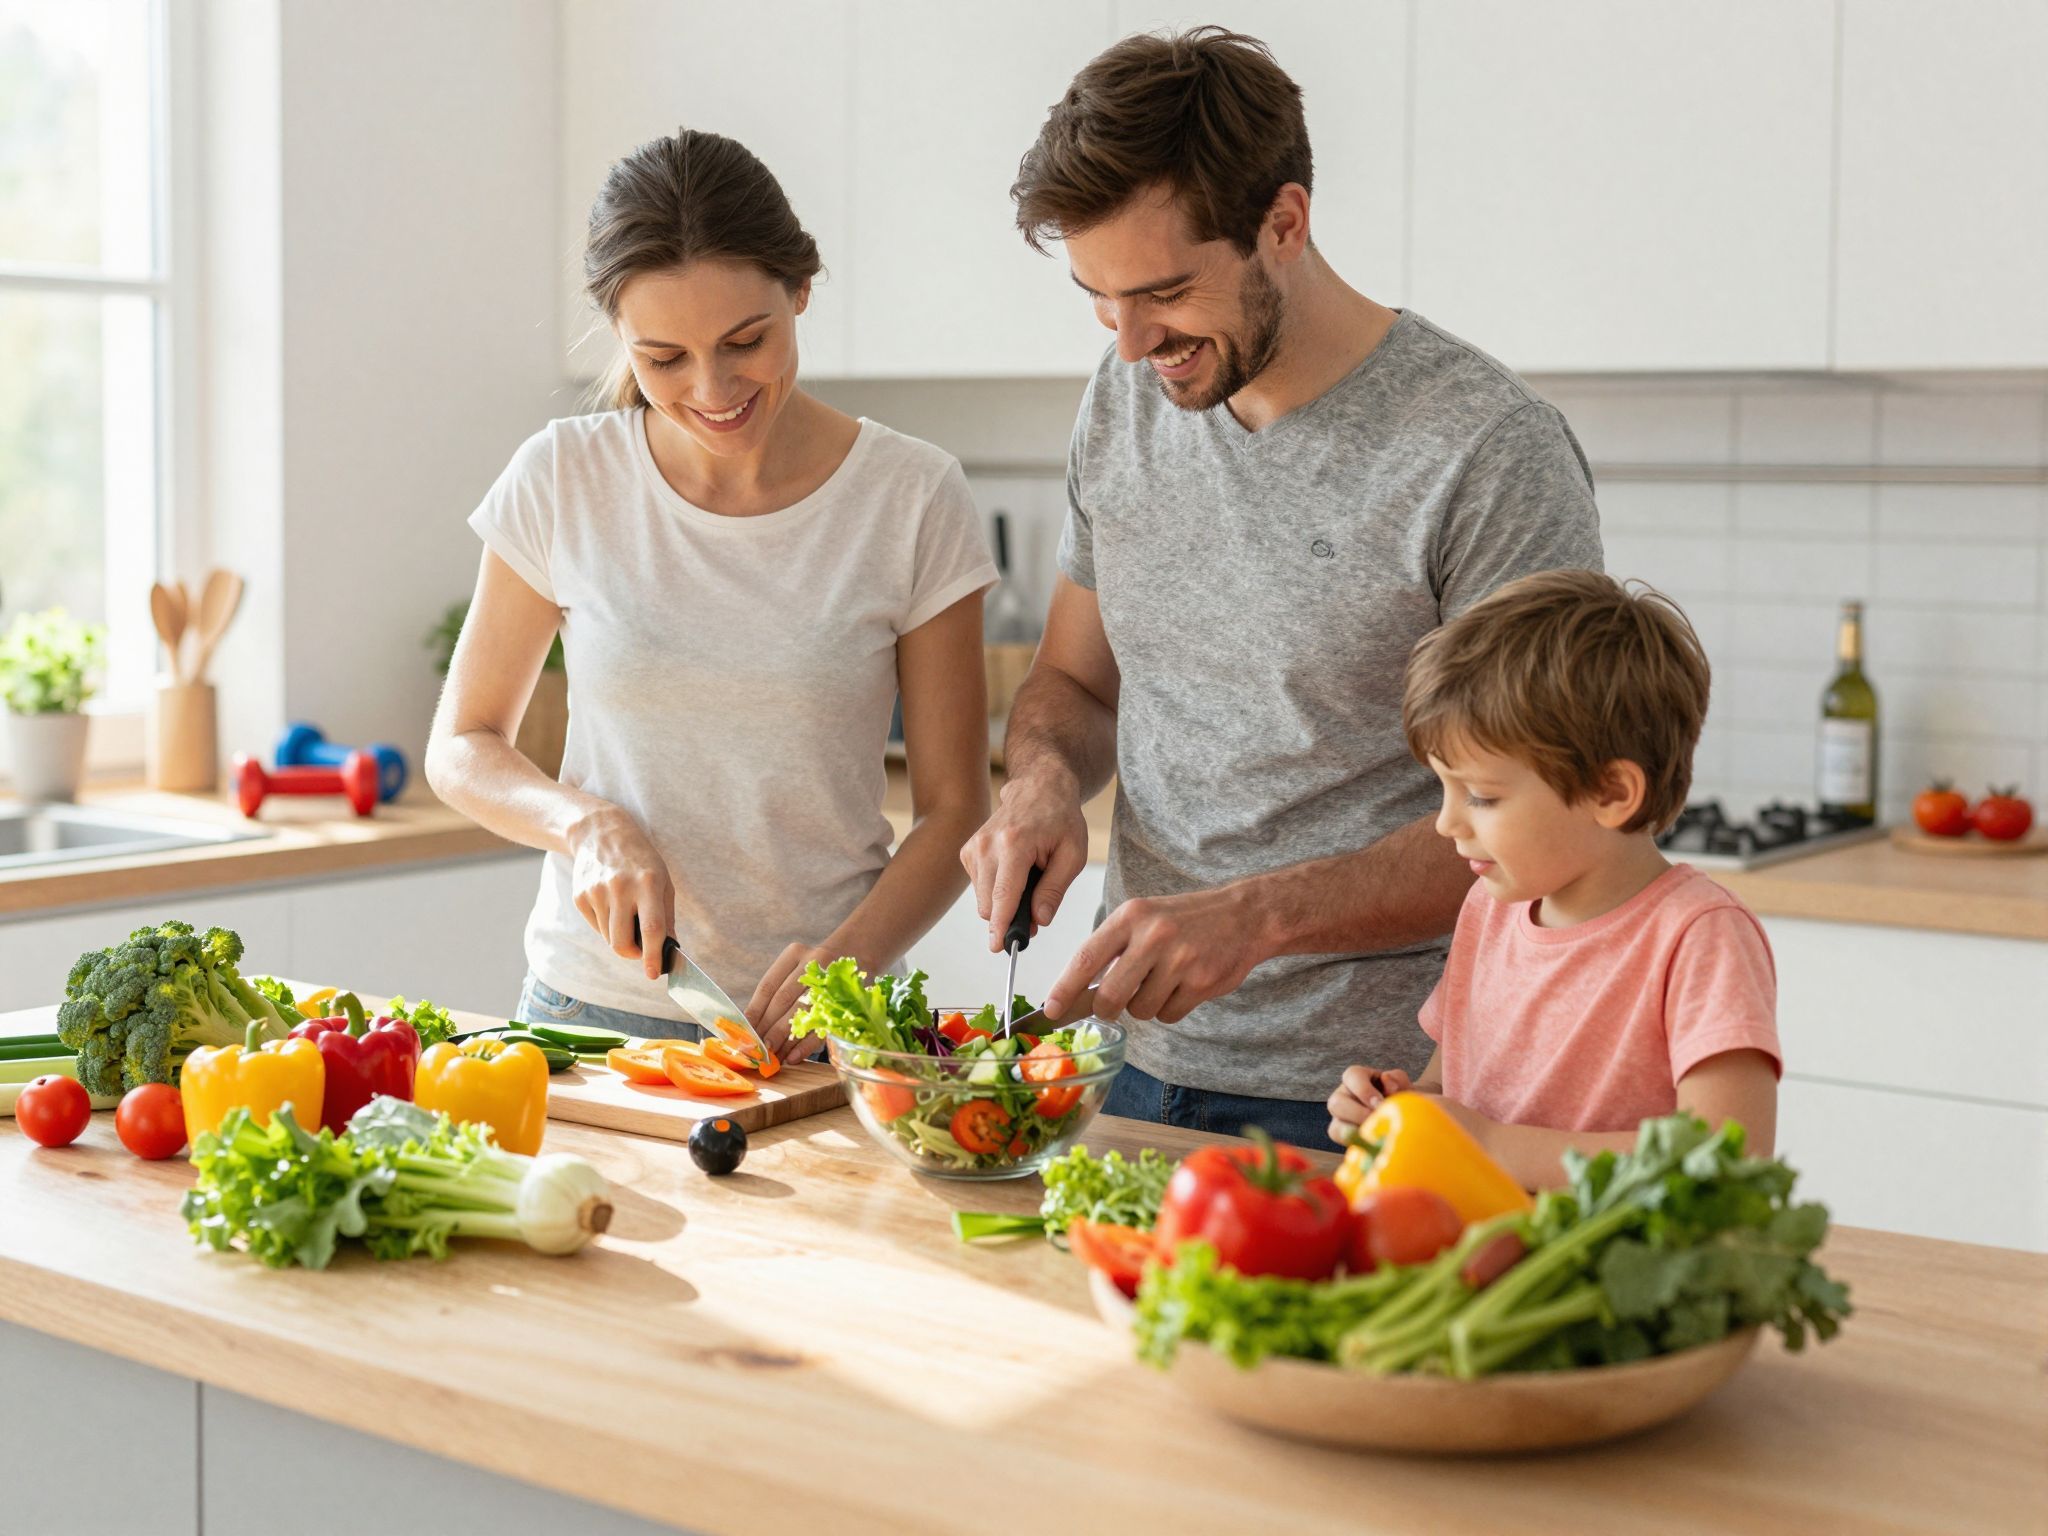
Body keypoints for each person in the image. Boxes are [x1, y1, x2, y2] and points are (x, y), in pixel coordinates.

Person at [961, 28, 1604, 1143]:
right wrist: (1040, 782)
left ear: (1284, 224)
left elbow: (1545, 817)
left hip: (1384, 1099)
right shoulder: (1122, 405)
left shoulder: (1484, 452)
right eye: (1098, 301)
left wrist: (1255, 918)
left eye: (1162, 293)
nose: (1127, 347)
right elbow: (1075, 680)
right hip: (1124, 1061)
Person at [426, 130, 996, 1056]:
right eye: (663, 358)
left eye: (746, 342)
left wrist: (842, 971)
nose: (712, 388)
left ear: (801, 290)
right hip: (585, 1013)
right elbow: (461, 745)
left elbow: (955, 810)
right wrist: (587, 824)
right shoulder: (563, 477)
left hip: (822, 1027)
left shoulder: (911, 496)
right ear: (618, 335)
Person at [1326, 570, 1781, 1186]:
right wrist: (1393, 1112)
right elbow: (1447, 1087)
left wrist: (1494, 1146)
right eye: (1444, 788)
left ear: (1611, 792)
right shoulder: (1489, 911)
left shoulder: (1698, 937)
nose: (1445, 822)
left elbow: (1728, 1157)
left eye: (1482, 796)